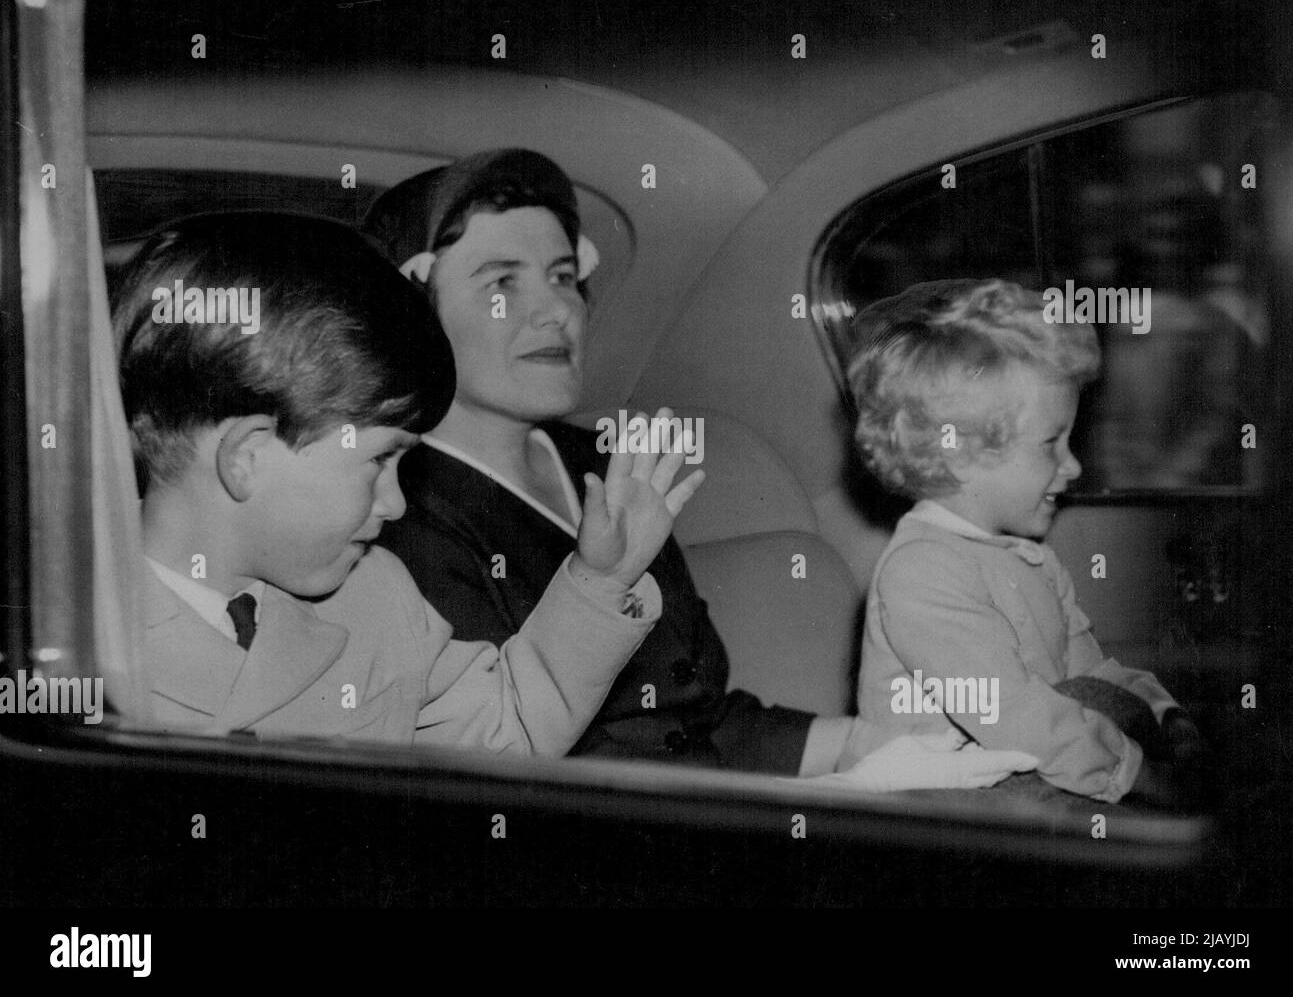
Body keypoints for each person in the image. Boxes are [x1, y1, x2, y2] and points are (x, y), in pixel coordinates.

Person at [363, 149, 1035, 787]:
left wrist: (867, 744)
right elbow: (522, 771)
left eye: (564, 276)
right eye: (503, 280)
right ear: (411, 313)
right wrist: (844, 796)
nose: (557, 309)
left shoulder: (608, 460)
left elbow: (694, 720)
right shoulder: (394, 513)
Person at [113, 210, 702, 753]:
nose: (395, 503)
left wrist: (601, 580)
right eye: (377, 461)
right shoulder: (72, 641)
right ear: (247, 456)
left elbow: (510, 728)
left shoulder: (377, 596)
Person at [842, 278, 1204, 801]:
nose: (1073, 466)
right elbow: (1016, 715)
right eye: (1050, 445)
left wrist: (1166, 716)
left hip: (1028, 780)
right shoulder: (920, 570)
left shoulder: (1028, 557)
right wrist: (1140, 775)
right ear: (961, 454)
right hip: (948, 808)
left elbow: (1092, 672)